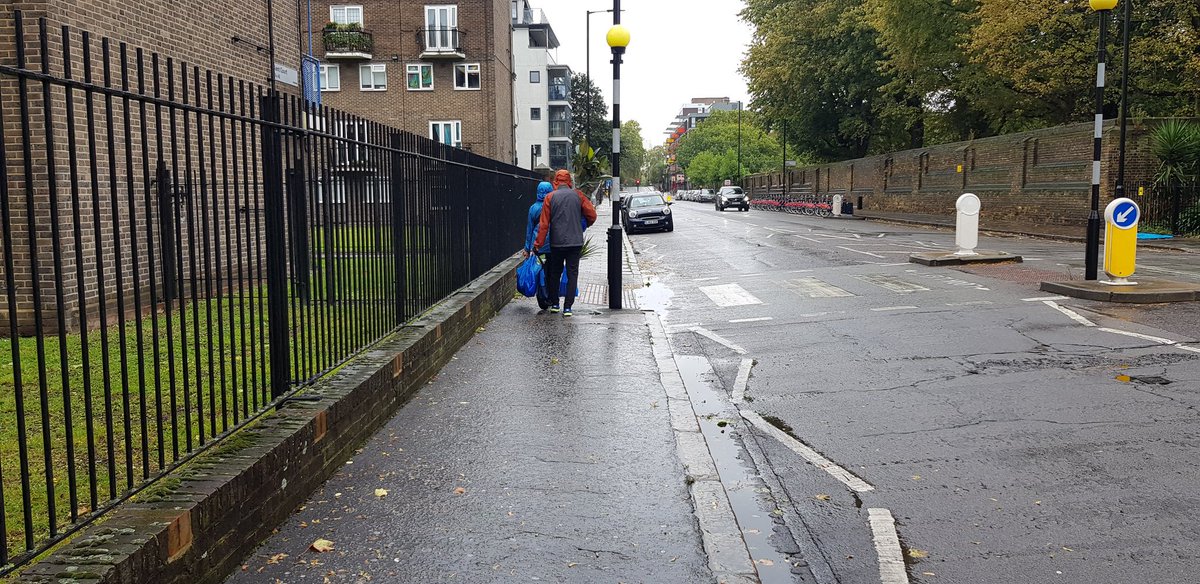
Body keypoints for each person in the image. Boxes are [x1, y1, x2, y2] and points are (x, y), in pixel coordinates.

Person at [534, 170, 597, 317]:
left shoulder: (550, 197)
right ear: (569, 181)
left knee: (555, 273)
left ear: (556, 181)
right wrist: (583, 225)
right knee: (572, 273)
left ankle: (555, 304)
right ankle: (568, 307)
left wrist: (538, 244)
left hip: (557, 242)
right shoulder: (578, 195)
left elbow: (544, 225)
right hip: (575, 242)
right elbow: (592, 215)